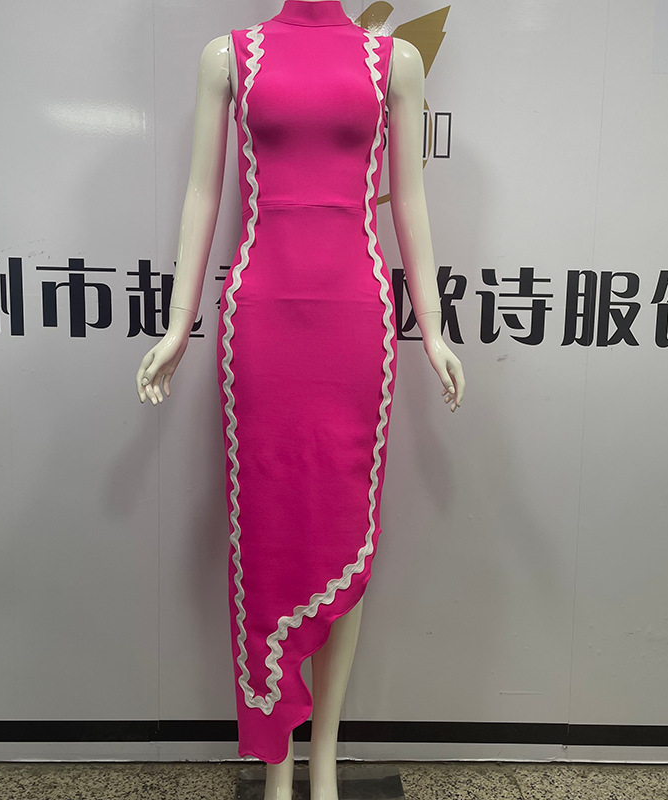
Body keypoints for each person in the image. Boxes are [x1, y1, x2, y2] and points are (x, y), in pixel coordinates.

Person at [136, 3, 465, 798]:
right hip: (262, 315)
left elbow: (410, 201)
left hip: (354, 315)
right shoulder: (229, 56)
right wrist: (179, 323)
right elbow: (202, 194)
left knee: (345, 526)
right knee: (268, 532)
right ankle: (278, 766)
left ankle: (325, 764)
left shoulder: (394, 62)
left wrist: (434, 328)